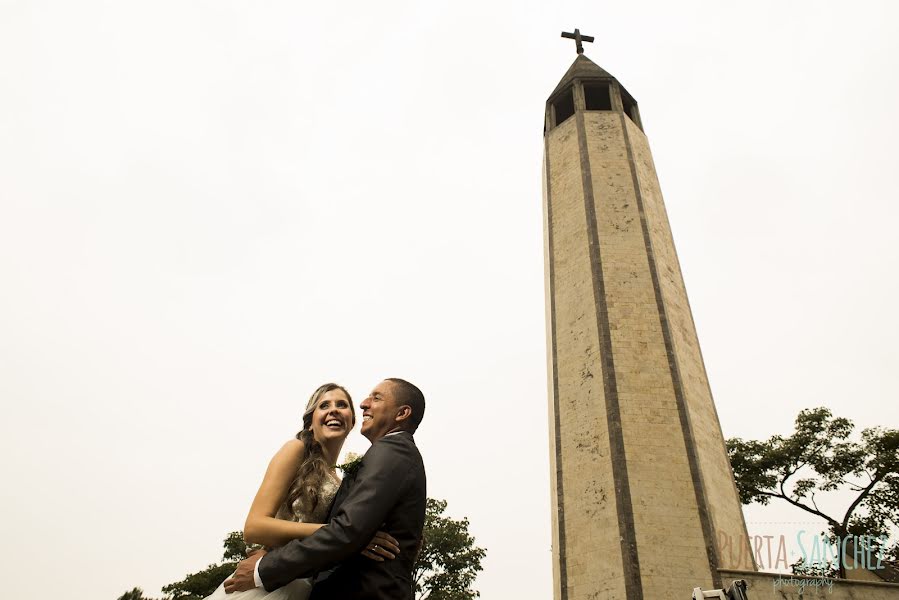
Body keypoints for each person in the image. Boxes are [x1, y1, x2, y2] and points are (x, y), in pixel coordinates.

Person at [224, 378, 427, 600]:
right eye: (324, 406)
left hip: (305, 583)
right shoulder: (296, 450)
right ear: (310, 421)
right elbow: (254, 527)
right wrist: (355, 536)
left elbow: (351, 529)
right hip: (275, 582)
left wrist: (360, 535)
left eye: (342, 405)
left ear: (351, 423)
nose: (334, 411)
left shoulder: (348, 477)